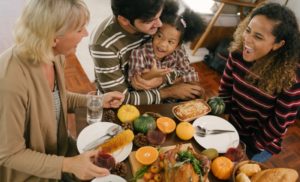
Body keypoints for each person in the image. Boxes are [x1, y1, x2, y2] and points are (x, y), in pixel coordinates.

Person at [0, 0, 124, 181]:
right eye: (79, 29)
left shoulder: (52, 55)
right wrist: (69, 165)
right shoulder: (9, 83)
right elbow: (10, 154)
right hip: (32, 174)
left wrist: (95, 100)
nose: (86, 33)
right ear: (53, 38)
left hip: (61, 151)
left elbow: (54, 100)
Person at [219, 3, 300, 162]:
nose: (247, 39)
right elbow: (225, 92)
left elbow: (278, 124)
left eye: (258, 36)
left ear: (278, 44)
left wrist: (249, 148)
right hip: (233, 126)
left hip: (261, 143)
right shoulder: (237, 54)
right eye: (248, 30)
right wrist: (215, 117)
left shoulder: (291, 78)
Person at [89, 0, 204, 105]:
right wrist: (169, 92)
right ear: (124, 20)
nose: (159, 24)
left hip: (159, 93)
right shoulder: (103, 45)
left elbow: (180, 60)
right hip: (129, 102)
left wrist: (163, 79)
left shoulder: (156, 16)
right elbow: (119, 99)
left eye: (159, 16)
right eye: (150, 21)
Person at [128, 1, 206, 91]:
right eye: (160, 36)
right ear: (154, 34)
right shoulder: (139, 53)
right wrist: (152, 74)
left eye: (170, 42)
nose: (163, 44)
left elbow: (190, 74)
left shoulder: (179, 53)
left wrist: (165, 79)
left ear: (178, 46)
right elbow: (136, 83)